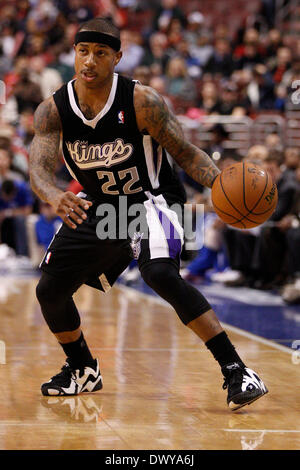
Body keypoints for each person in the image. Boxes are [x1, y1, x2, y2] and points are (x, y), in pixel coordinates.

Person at [29, 17, 267, 410]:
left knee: (158, 272)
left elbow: (187, 153)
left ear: (117, 57)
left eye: (100, 53)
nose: (89, 61)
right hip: (102, 207)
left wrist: (220, 184)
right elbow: (39, 167)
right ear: (73, 53)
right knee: (49, 291)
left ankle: (236, 369)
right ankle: (82, 367)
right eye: (83, 51)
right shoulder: (52, 109)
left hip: (152, 200)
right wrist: (54, 194)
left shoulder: (142, 101)